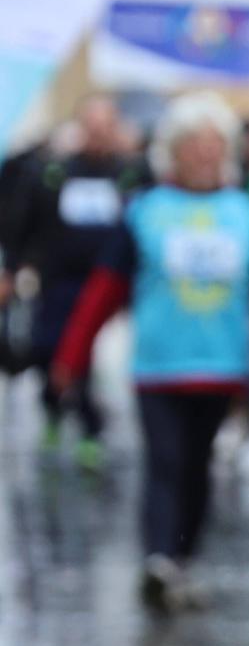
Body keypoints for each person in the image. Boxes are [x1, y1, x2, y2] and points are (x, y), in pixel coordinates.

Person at [51, 91, 249, 610]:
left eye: (213, 145)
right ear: (173, 151)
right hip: (158, 363)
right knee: (164, 460)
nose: (204, 154)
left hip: (222, 363)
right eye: (193, 145)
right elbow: (103, 292)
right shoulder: (146, 212)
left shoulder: (247, 214)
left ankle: (183, 559)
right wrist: (72, 356)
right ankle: (158, 557)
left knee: (197, 466)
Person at [3, 93, 148, 469]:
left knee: (84, 355)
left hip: (105, 284)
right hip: (58, 281)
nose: (99, 135)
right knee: (47, 349)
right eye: (92, 126)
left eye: (106, 127)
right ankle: (52, 405)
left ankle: (89, 427)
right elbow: (24, 221)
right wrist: (12, 269)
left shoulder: (127, 172)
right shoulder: (57, 172)